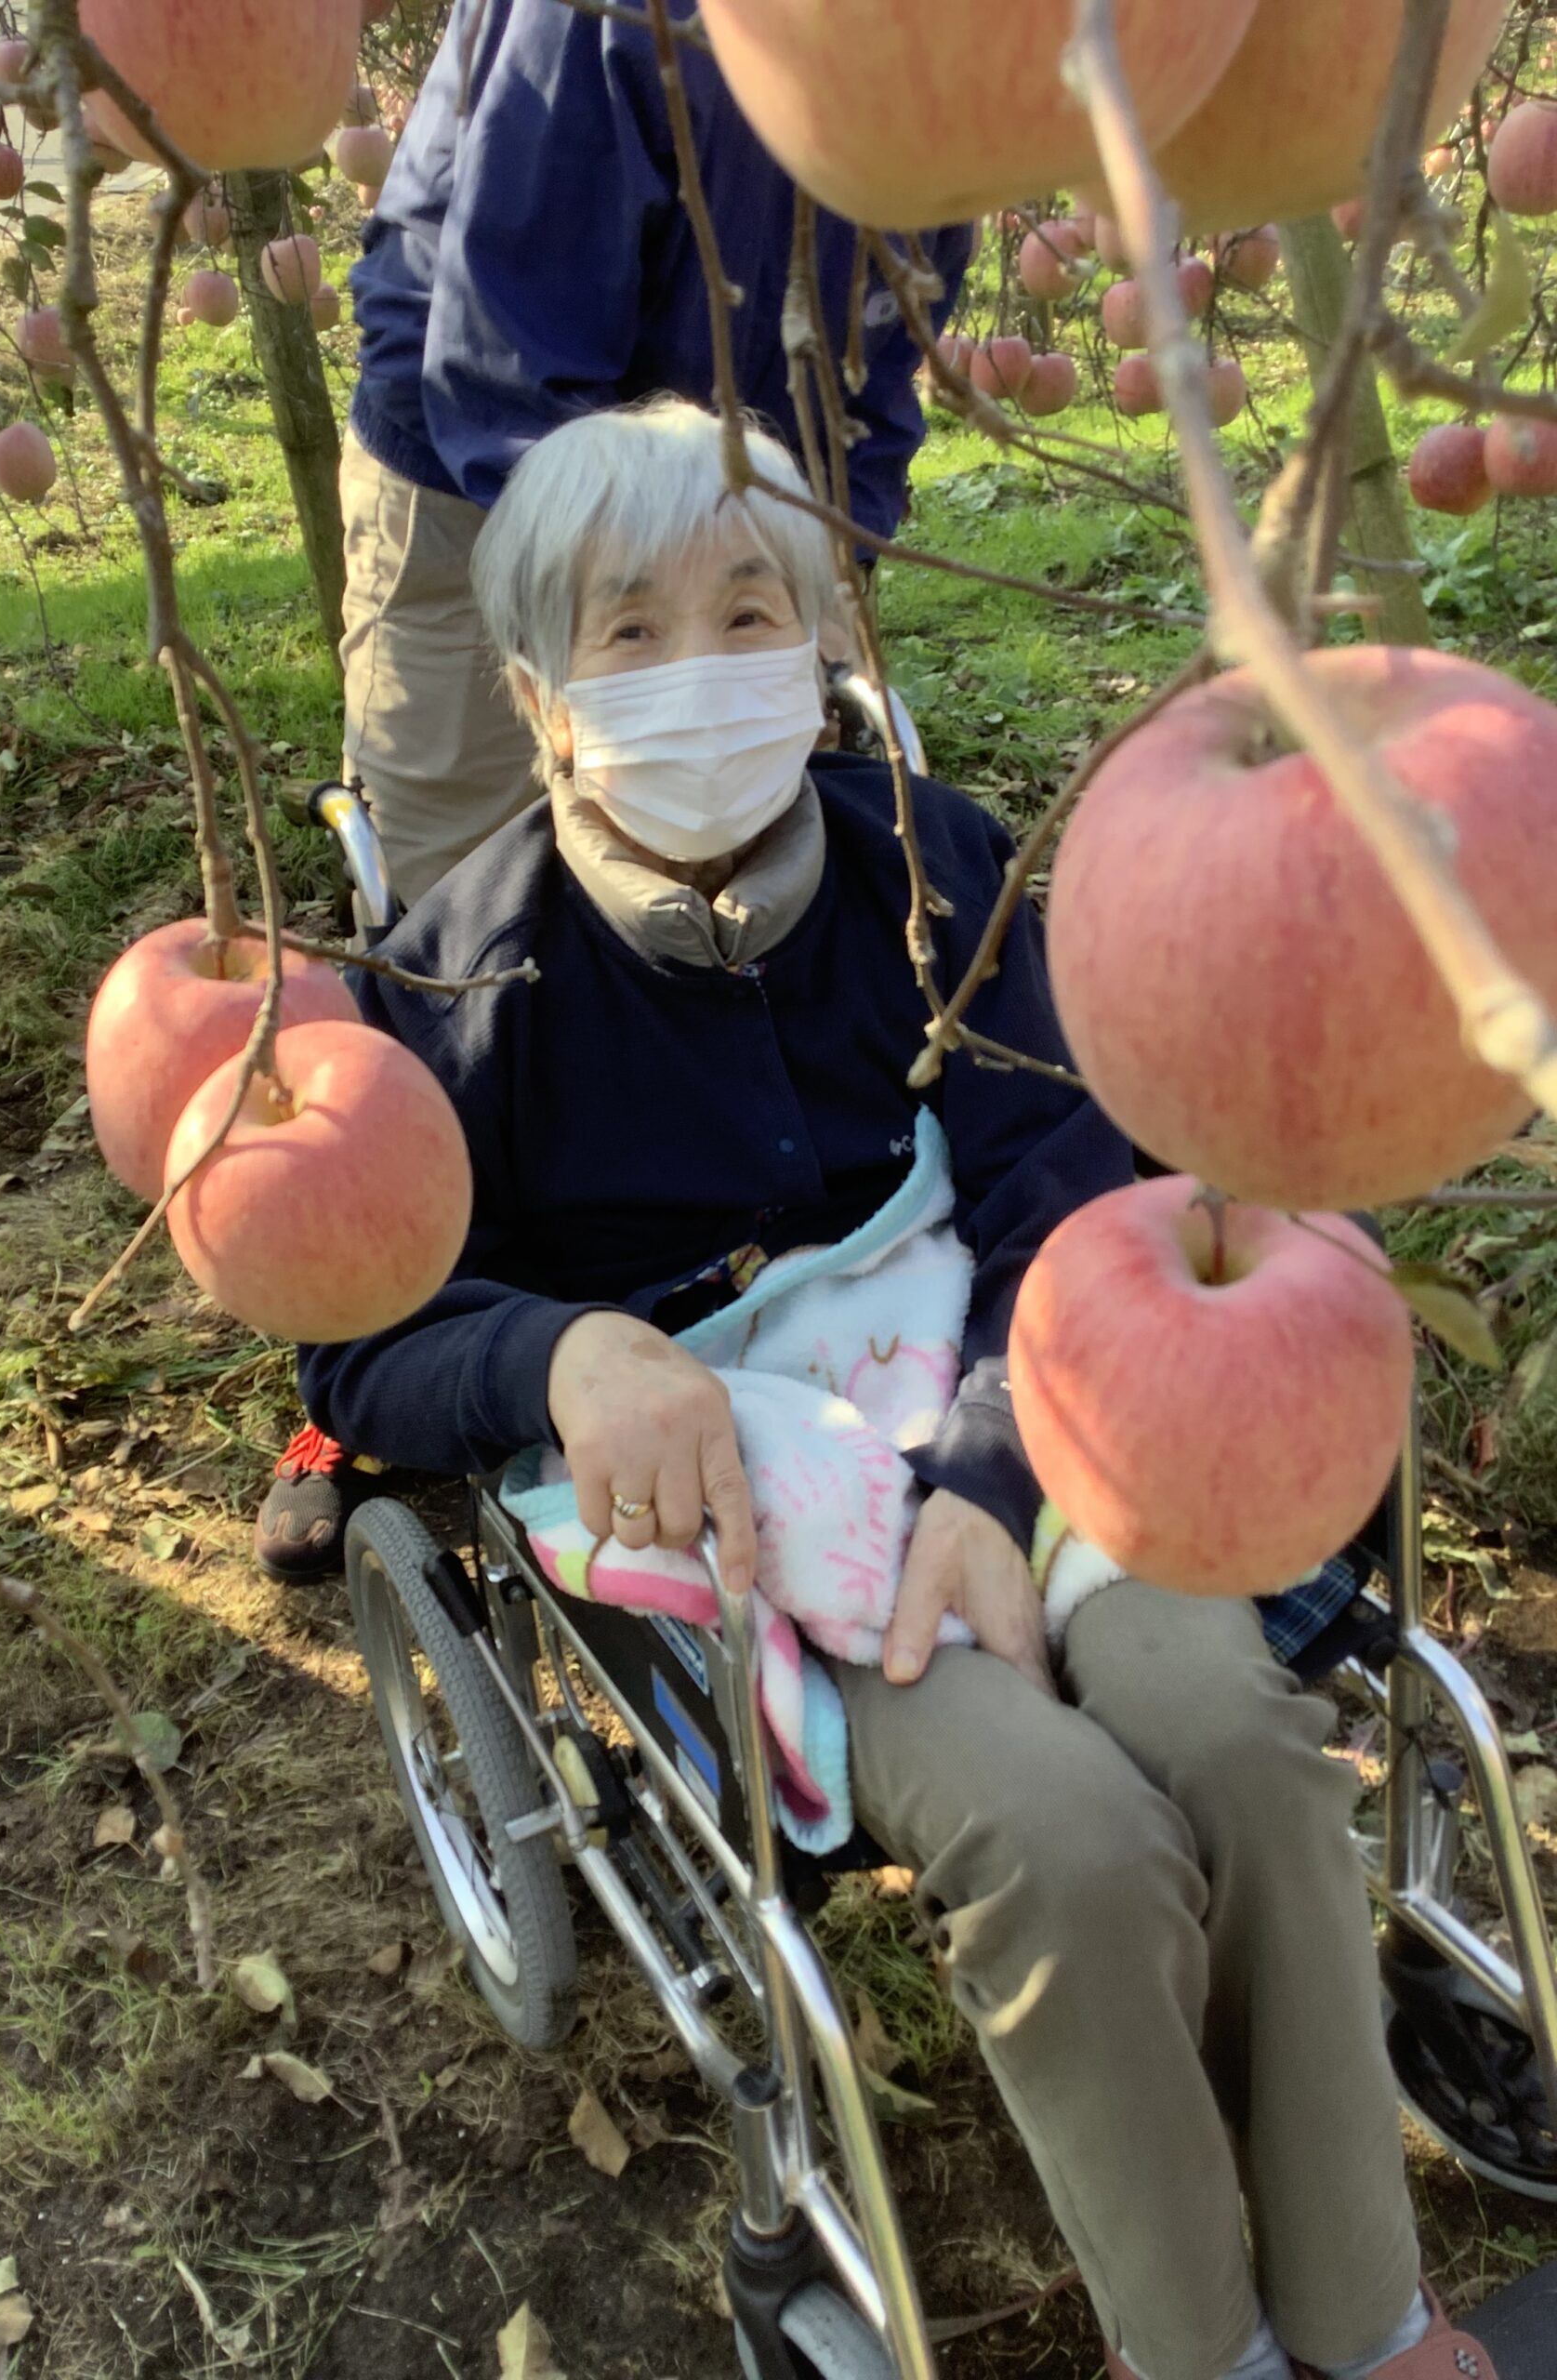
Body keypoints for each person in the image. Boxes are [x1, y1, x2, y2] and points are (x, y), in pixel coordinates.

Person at [286, 402, 1497, 2380]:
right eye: (631, 633)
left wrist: (990, 1478)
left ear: (821, 641)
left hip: (1026, 1390)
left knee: (1246, 1749)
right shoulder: (456, 989)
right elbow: (355, 1341)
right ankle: (1202, 2352)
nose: (701, 668)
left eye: (748, 612)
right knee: (1075, 1847)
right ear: (538, 697)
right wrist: (558, 1349)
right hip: (752, 1493)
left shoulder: (933, 870)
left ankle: (1367, 2319)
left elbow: (1060, 1180)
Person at [257, 0, 971, 1574]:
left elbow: (884, 361)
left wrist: (808, 584)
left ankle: (783, 1274)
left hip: (739, 504)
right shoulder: (607, 26)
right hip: (489, 476)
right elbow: (507, 351)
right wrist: (618, 649)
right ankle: (391, 1363)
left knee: (778, 894)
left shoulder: (950, 59)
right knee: (462, 947)